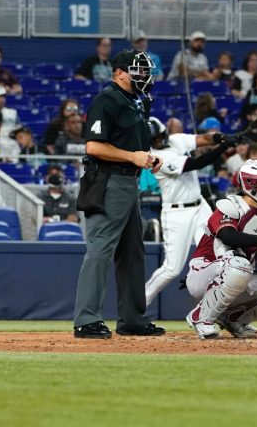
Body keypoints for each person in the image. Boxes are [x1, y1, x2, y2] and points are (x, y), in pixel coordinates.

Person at [73, 49, 165, 339]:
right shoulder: (107, 100)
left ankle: (132, 319)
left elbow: (132, 150)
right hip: (108, 181)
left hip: (129, 183)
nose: (144, 76)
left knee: (132, 253)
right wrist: (132, 157)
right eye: (137, 70)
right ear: (119, 73)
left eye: (145, 71)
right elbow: (94, 146)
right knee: (100, 249)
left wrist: (147, 159)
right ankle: (86, 320)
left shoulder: (134, 102)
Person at [185, 160, 257, 339]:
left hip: (237, 275)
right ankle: (201, 317)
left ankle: (233, 318)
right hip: (205, 271)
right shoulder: (230, 205)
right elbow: (228, 236)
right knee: (240, 265)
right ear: (250, 184)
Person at [144, 116, 236, 306]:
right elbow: (197, 164)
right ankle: (138, 305)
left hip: (200, 206)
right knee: (172, 269)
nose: (158, 141)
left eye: (159, 137)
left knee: (219, 253)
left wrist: (221, 137)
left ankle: (219, 309)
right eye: (154, 140)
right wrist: (224, 146)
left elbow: (202, 139)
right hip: (177, 214)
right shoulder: (155, 158)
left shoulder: (175, 140)